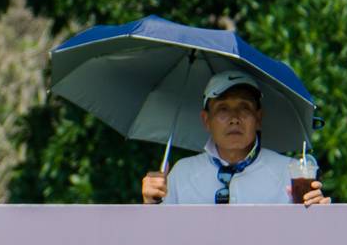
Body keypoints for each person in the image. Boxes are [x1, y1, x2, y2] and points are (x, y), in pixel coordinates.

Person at [140, 71, 330, 206]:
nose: (234, 118)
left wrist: (318, 215)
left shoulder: (289, 172)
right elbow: (159, 241)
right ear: (206, 120)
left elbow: (308, 241)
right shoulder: (181, 173)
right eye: (223, 109)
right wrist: (151, 204)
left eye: (244, 107)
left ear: (258, 118)